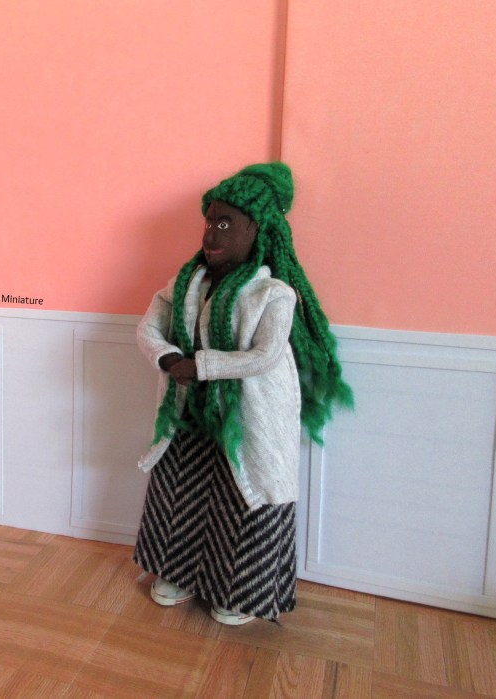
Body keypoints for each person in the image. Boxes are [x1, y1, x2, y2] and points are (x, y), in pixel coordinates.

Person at [132, 162, 352, 624]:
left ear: (257, 228)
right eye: (209, 221)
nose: (212, 232)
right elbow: (149, 324)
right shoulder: (186, 282)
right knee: (182, 491)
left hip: (249, 418)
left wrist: (204, 366)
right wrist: (169, 359)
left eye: (226, 223)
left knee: (244, 496)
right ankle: (179, 572)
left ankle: (240, 591)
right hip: (190, 416)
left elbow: (265, 355)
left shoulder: (271, 293)